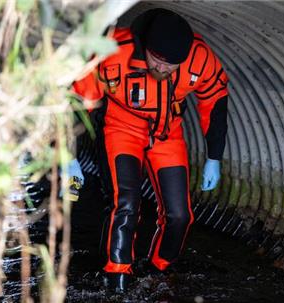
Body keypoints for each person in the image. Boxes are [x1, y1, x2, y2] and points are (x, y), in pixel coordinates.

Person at [71, 8, 229, 293]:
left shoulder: (200, 58)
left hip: (167, 133)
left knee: (180, 214)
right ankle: (116, 277)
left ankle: (158, 272)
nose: (164, 69)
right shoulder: (113, 51)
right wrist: (68, 157)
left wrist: (214, 156)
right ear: (146, 48)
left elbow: (215, 102)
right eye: (158, 61)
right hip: (121, 127)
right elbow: (79, 102)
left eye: (173, 65)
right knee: (126, 204)